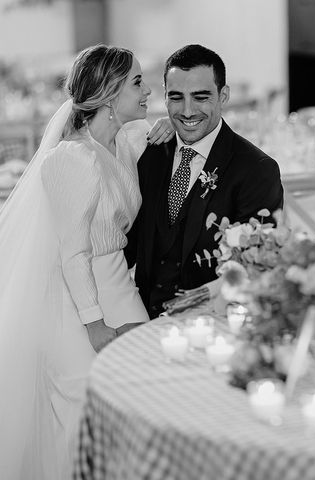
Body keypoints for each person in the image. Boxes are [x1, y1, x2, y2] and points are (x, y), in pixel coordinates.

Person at [0, 44, 172, 479]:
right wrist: (94, 324)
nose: (148, 90)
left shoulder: (125, 142)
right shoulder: (72, 158)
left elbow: (147, 135)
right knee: (81, 416)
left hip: (120, 286)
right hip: (77, 301)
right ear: (110, 93)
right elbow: (73, 251)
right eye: (137, 82)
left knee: (141, 402)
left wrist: (168, 124)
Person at [125, 44, 283, 318]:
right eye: (176, 97)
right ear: (164, 97)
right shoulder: (150, 152)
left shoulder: (256, 170)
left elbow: (256, 267)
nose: (187, 111)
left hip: (212, 322)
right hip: (143, 320)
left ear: (224, 95)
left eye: (200, 97)